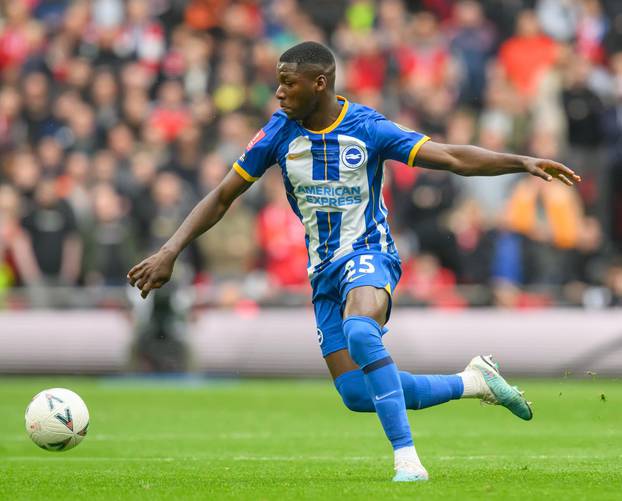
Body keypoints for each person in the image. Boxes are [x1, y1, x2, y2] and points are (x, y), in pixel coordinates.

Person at [127, 41, 581, 482]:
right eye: (277, 83)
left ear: (319, 83)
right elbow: (224, 194)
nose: (279, 92)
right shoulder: (277, 133)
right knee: (357, 395)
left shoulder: (368, 128)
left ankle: (407, 459)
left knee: (362, 330)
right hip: (322, 271)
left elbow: (451, 157)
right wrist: (170, 251)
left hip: (369, 254)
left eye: (288, 83)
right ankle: (474, 382)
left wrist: (521, 160)